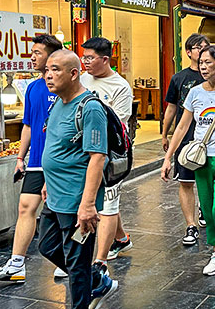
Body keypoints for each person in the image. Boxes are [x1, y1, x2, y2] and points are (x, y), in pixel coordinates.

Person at [162, 45, 215, 285]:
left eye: (208, 63)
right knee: (208, 210)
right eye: (201, 63)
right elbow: (181, 127)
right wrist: (168, 157)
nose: (202, 67)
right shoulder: (195, 93)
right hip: (202, 160)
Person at [37, 49, 117, 309]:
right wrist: (48, 181)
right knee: (47, 247)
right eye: (47, 70)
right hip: (56, 195)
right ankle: (95, 279)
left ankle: (84, 291)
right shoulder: (59, 103)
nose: (48, 75)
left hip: (76, 199)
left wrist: (88, 204)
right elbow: (56, 146)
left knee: (76, 263)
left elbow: (97, 157)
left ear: (73, 74)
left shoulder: (90, 108)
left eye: (55, 70)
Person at [0, 34, 63, 283]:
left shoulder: (64, 88)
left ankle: (68, 260)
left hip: (61, 163)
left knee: (61, 213)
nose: (32, 56)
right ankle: (16, 264)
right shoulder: (32, 88)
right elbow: (28, 125)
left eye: (38, 52)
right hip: (37, 162)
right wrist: (21, 157)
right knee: (25, 208)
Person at [79, 37, 133, 272]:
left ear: (105, 59)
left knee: (108, 204)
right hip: (83, 152)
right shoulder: (81, 79)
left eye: (90, 58)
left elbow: (117, 124)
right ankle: (121, 239)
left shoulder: (120, 87)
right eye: (84, 58)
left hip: (111, 154)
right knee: (104, 200)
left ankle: (99, 260)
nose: (86, 62)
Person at [160, 33, 209, 246]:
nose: (203, 50)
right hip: (186, 137)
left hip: (210, 139)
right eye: (198, 47)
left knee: (209, 181)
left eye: (206, 47)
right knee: (186, 181)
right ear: (189, 52)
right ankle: (191, 225)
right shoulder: (179, 78)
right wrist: (165, 134)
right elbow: (172, 108)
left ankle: (205, 208)